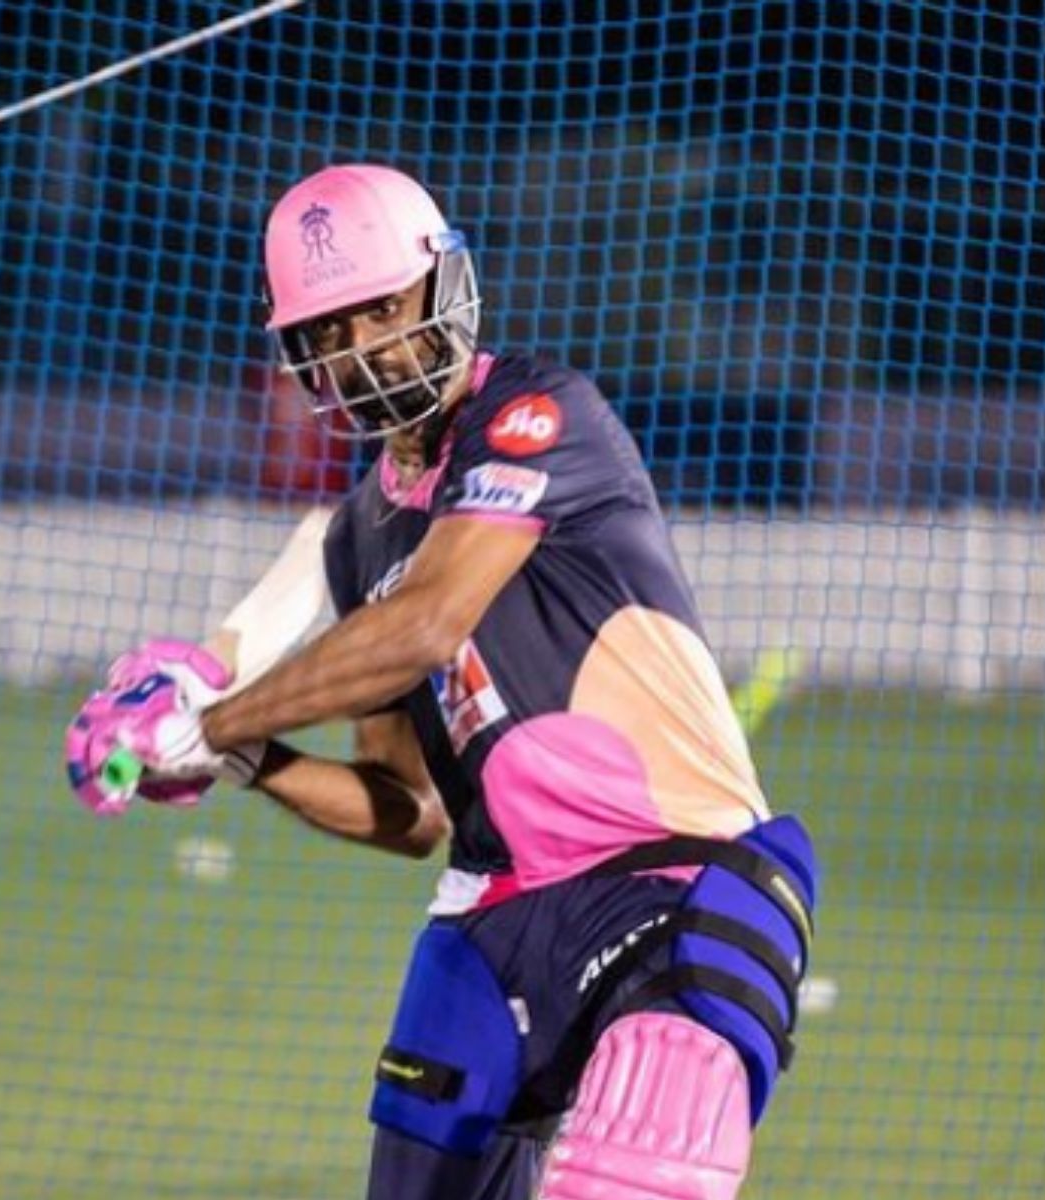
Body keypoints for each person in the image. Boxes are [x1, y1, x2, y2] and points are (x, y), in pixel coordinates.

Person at [66, 163, 818, 1200]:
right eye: (332, 328)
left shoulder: (537, 412)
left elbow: (423, 626)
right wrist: (247, 756)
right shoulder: (358, 536)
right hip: (494, 912)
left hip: (670, 878)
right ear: (303, 355)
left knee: (637, 1166)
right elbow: (407, 807)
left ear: (442, 288)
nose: (367, 346)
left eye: (382, 309)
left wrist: (207, 718)